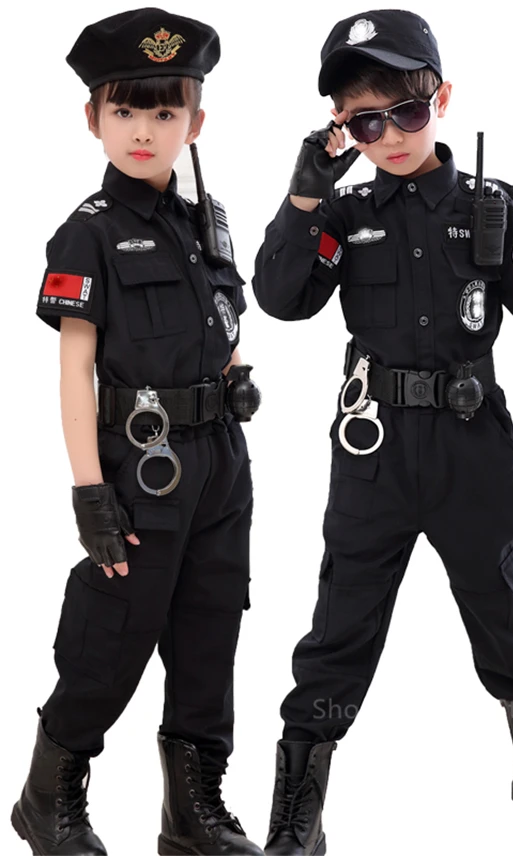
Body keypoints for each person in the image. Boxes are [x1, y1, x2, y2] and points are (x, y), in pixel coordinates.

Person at [253, 9, 513, 853]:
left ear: (442, 98)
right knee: (341, 623)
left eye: (407, 110)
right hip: (374, 448)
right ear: (341, 126)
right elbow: (283, 299)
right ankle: (299, 801)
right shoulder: (341, 211)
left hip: (473, 442)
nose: (391, 135)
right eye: (366, 122)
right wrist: (303, 195)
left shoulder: (492, 206)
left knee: (504, 607)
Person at [11, 8, 262, 855]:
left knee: (209, 632)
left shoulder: (206, 221)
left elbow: (222, 316)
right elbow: (74, 370)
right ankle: (49, 798)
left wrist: (237, 372)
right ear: (92, 118)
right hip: (141, 466)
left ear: (197, 122)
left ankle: (193, 812)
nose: (144, 131)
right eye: (124, 110)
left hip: (221, 464)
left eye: (164, 111)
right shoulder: (87, 232)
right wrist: (89, 491)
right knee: (113, 634)